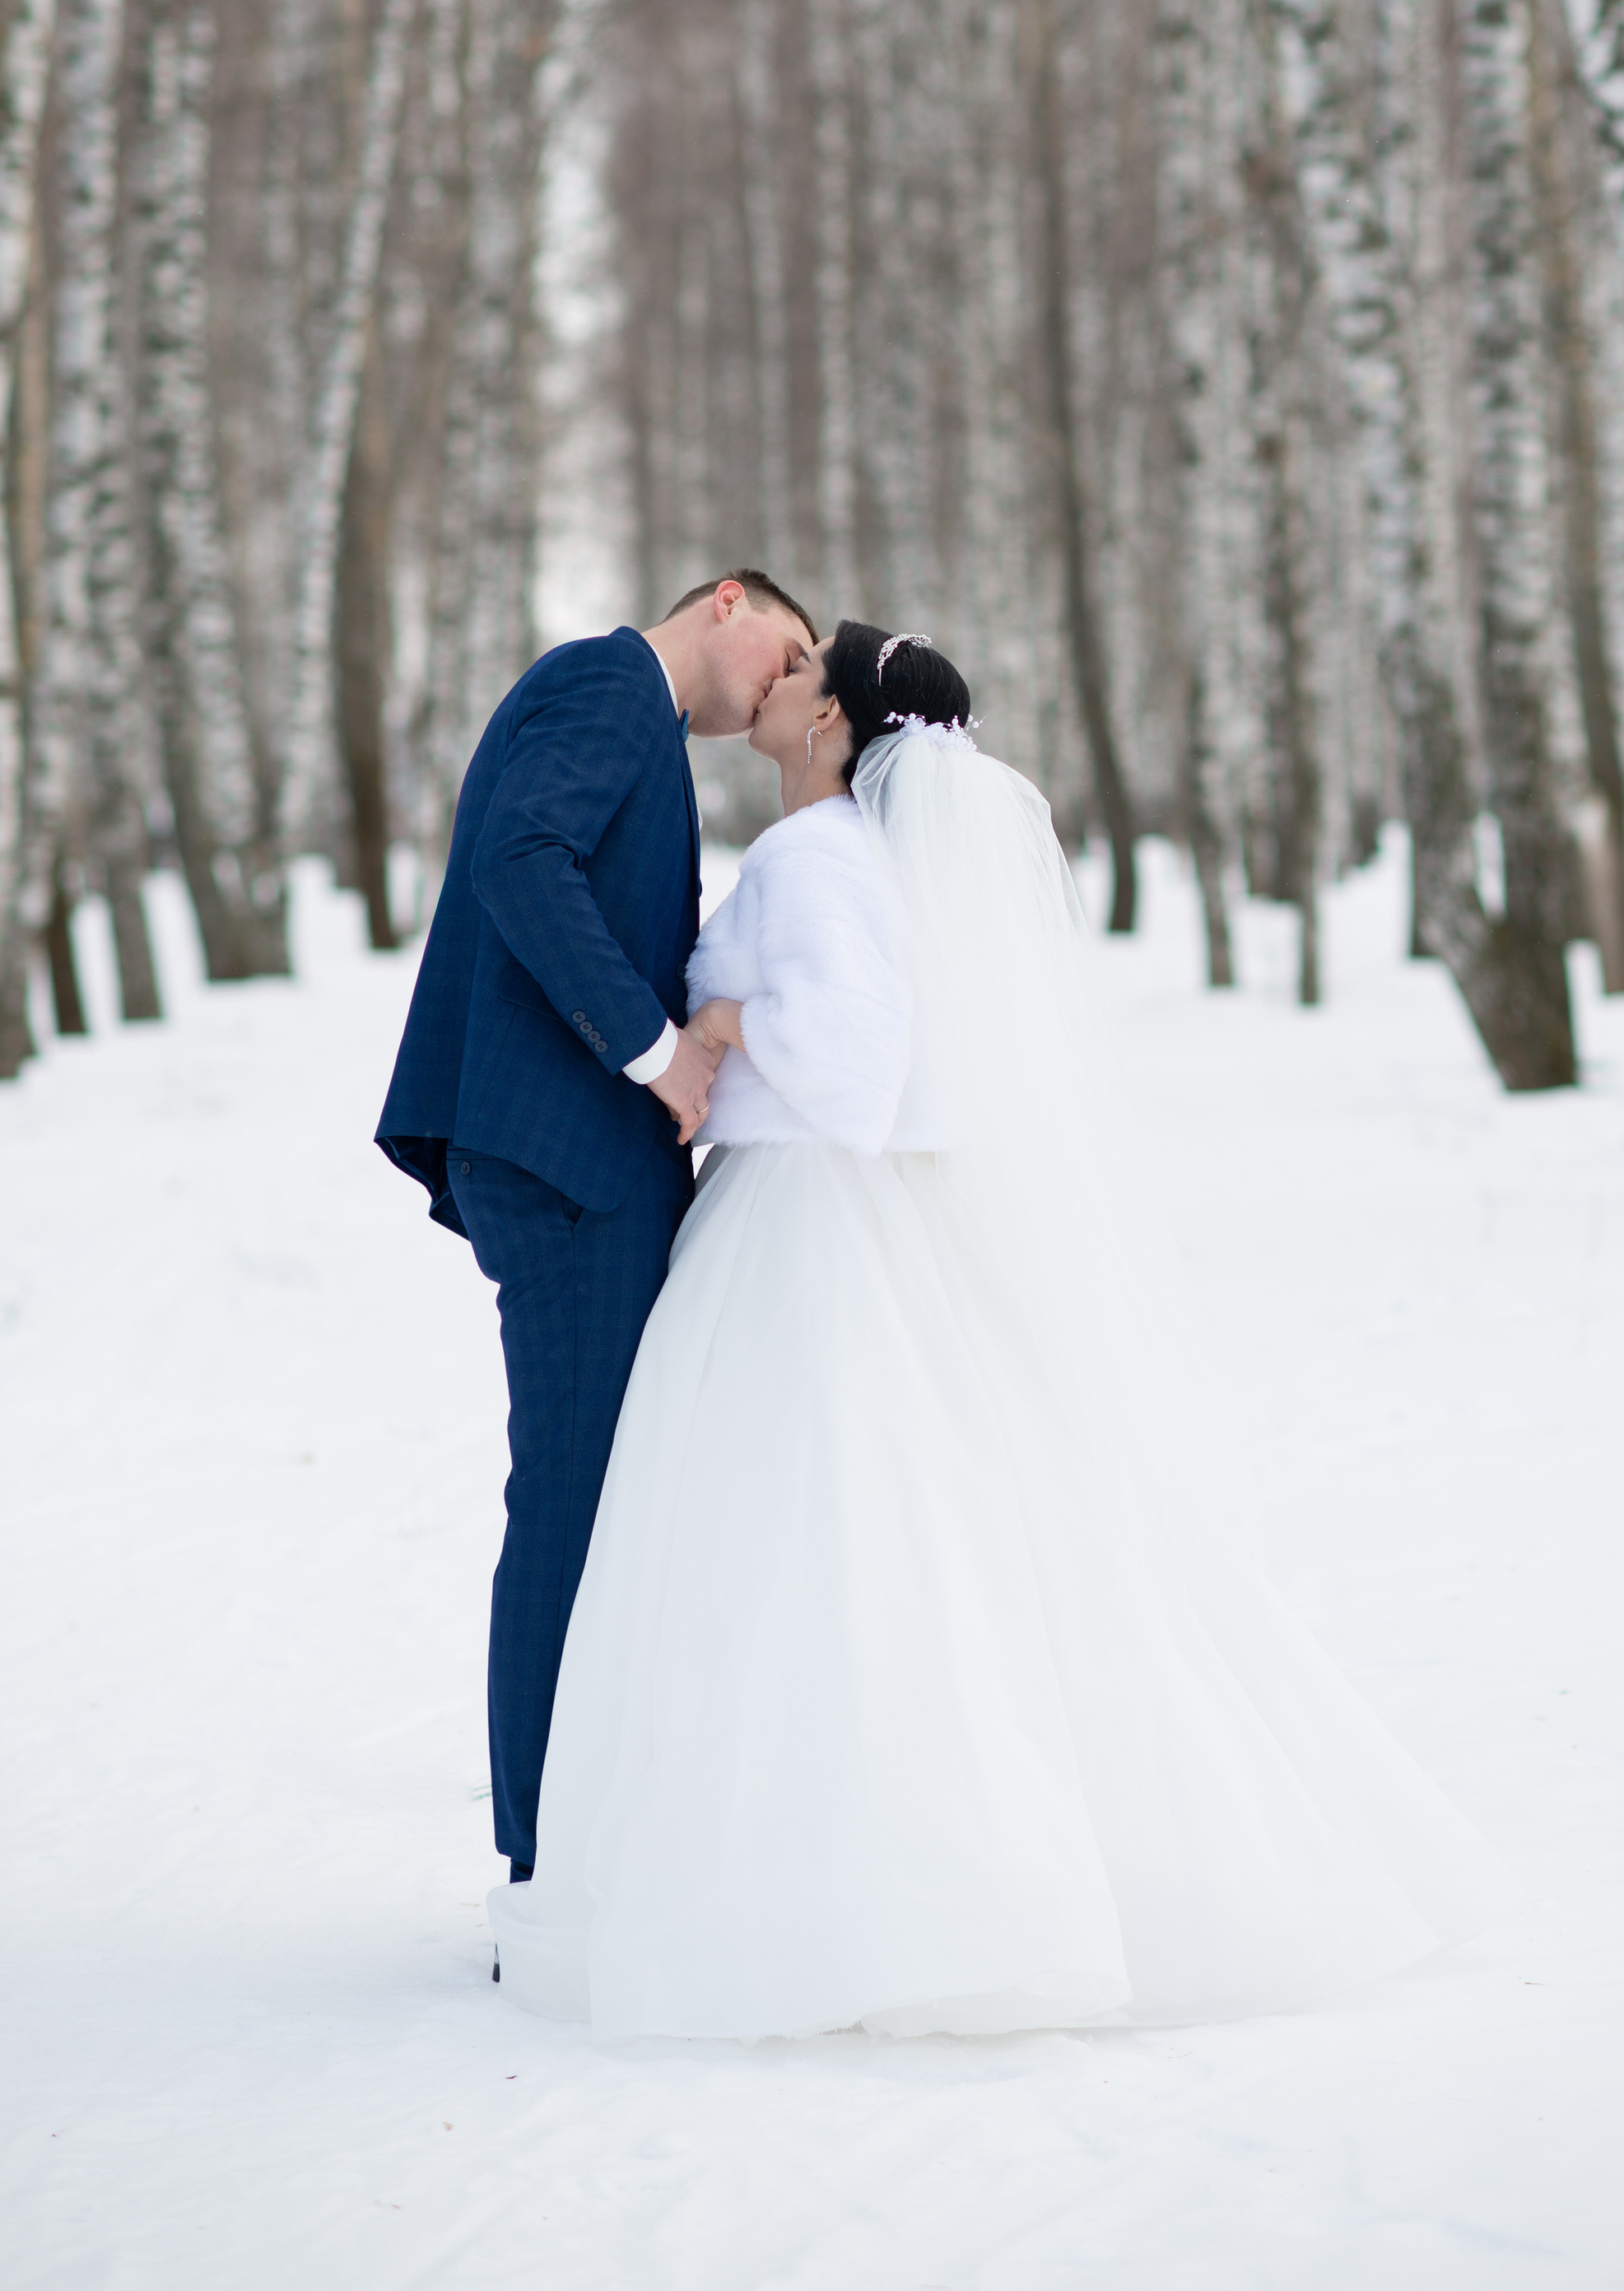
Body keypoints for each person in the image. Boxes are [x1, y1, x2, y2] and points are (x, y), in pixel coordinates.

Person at [489, 622, 1514, 2036]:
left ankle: (841, 1884)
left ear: (835, 717)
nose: (767, 684)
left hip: (805, 1232)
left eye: (793, 672)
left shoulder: (816, 858)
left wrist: (719, 1025)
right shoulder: (843, 857)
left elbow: (852, 1077)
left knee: (808, 1544)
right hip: (805, 1217)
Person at [375, 570, 815, 1883]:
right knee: (572, 1502)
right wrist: (654, 1052)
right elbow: (523, 859)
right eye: (786, 654)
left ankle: (574, 1841)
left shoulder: (641, 719)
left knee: (595, 1497)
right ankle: (546, 1869)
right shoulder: (610, 682)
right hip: (568, 1161)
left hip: (576, 1161)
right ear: (728, 602)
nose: (781, 691)